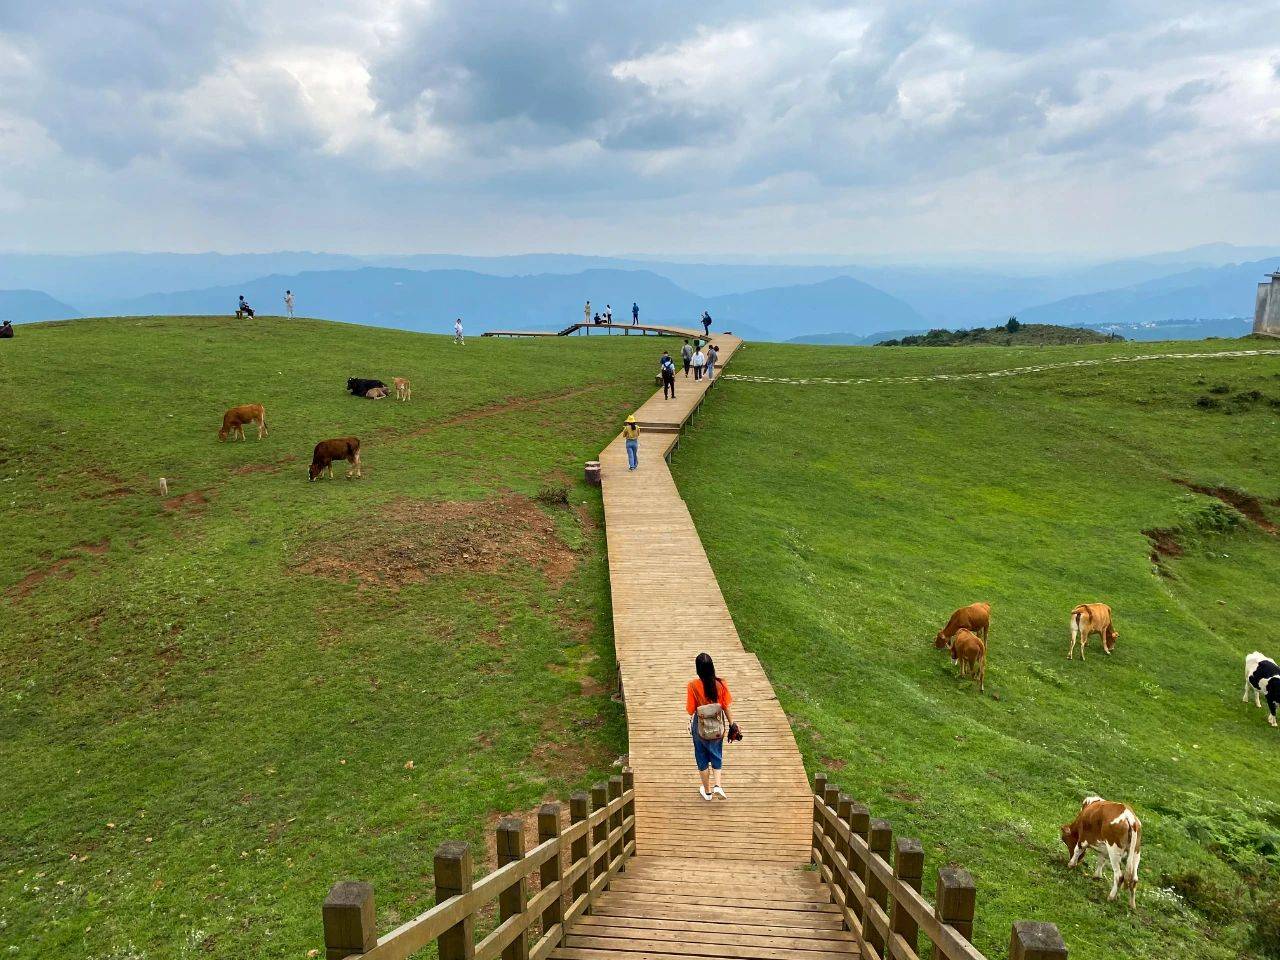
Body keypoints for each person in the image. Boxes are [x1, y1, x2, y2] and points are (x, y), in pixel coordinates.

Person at [687, 652, 734, 800]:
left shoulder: (693, 686)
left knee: (701, 757)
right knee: (716, 753)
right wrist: (732, 724)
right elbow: (725, 706)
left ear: (698, 669)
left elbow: (690, 709)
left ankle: (707, 792)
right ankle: (718, 786)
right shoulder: (721, 684)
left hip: (700, 727)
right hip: (717, 726)